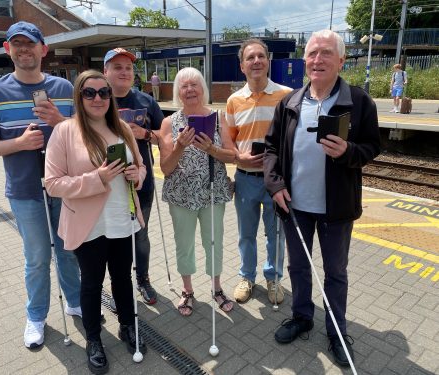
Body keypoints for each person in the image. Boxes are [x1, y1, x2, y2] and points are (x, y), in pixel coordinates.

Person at [264, 29, 380, 367]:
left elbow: (372, 148)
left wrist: (348, 152)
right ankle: (302, 317)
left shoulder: (358, 102)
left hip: (337, 208)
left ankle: (337, 332)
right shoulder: (289, 103)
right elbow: (271, 149)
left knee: (335, 272)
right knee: (298, 266)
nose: (318, 59)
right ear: (305, 60)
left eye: (326, 53)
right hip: (295, 205)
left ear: (341, 60)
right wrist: (275, 185)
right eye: (313, 53)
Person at [0, 21, 81, 349]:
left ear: (42, 49)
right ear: (8, 50)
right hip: (24, 191)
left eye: (30, 43)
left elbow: (84, 134)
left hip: (62, 188)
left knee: (68, 251)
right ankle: (36, 315)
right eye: (16, 44)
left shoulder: (64, 88)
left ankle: (75, 301)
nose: (23, 49)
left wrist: (60, 122)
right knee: (36, 257)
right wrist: (19, 143)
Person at [45, 70, 148, 374]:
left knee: (123, 279)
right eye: (90, 93)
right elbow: (52, 183)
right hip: (88, 224)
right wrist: (97, 178)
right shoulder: (65, 131)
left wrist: (136, 176)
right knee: (91, 284)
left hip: (122, 219)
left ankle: (128, 326)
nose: (98, 98)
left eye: (103, 92)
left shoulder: (123, 130)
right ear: (80, 96)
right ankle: (93, 339)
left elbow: (141, 168)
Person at [160, 67, 235, 316]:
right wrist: (180, 146)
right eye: (184, 86)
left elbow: (232, 155)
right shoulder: (168, 122)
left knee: (213, 241)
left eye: (195, 84)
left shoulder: (218, 116)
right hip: (181, 193)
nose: (190, 89)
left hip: (212, 190)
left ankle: (216, 288)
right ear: (178, 92)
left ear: (203, 89)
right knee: (184, 243)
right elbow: (166, 167)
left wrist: (211, 149)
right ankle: (188, 290)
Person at [224, 38, 291, 305]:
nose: (256, 61)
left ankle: (273, 278)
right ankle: (247, 277)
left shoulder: (287, 95)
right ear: (242, 66)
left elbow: (292, 138)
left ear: (268, 61)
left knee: (276, 234)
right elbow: (228, 140)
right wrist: (239, 156)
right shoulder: (233, 101)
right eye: (250, 58)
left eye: (261, 56)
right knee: (246, 234)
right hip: (246, 179)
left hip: (276, 180)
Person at [104, 48, 164, 305]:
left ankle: (143, 279)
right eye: (117, 67)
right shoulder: (97, 100)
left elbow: (164, 137)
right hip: (107, 185)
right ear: (105, 71)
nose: (124, 72)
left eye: (128, 67)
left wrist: (146, 135)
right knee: (113, 237)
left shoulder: (147, 101)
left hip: (141, 183)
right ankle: (120, 285)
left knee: (140, 234)